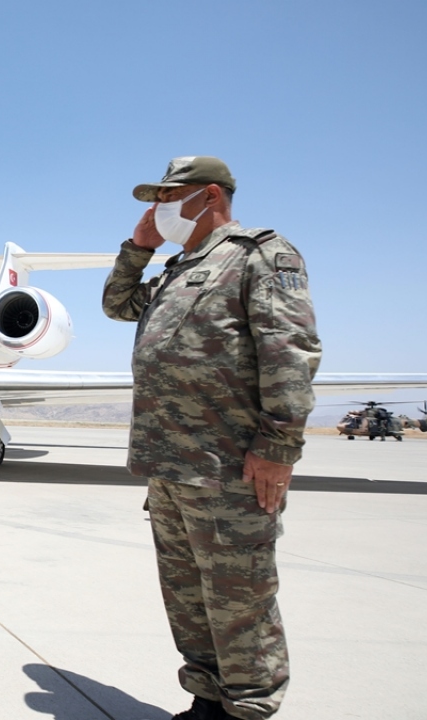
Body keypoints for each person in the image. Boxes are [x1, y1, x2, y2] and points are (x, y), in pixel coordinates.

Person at [102, 156, 321, 720]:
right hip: (170, 466)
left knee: (240, 600)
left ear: (210, 197)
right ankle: (207, 701)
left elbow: (289, 353)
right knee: (190, 598)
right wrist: (139, 246)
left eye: (168, 196)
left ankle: (248, 709)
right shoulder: (177, 268)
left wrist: (278, 448)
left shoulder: (259, 256)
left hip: (228, 468)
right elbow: (117, 305)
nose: (159, 208)